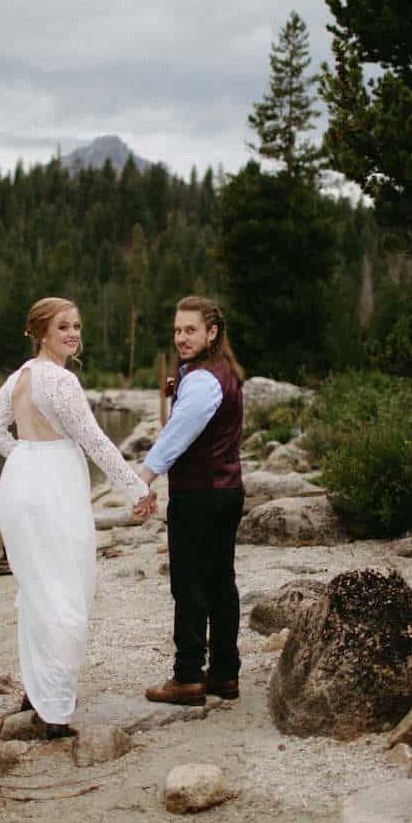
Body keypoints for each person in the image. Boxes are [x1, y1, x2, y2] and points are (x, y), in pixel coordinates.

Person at [0, 297, 155, 738]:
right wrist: (137, 489)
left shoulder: (19, 377)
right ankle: (54, 710)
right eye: (63, 327)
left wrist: (24, 456)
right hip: (53, 489)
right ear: (41, 333)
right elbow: (95, 443)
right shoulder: (61, 382)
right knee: (66, 590)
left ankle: (37, 691)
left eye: (76, 325)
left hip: (19, 485)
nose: (73, 334)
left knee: (38, 587)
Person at [134, 296, 245, 707]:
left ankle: (187, 677)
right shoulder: (223, 372)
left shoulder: (202, 381)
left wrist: (141, 481)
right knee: (220, 582)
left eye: (190, 330)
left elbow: (174, 439)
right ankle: (224, 675)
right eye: (178, 330)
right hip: (227, 490)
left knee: (189, 585)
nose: (181, 337)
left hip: (199, 495)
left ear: (212, 332)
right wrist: (178, 384)